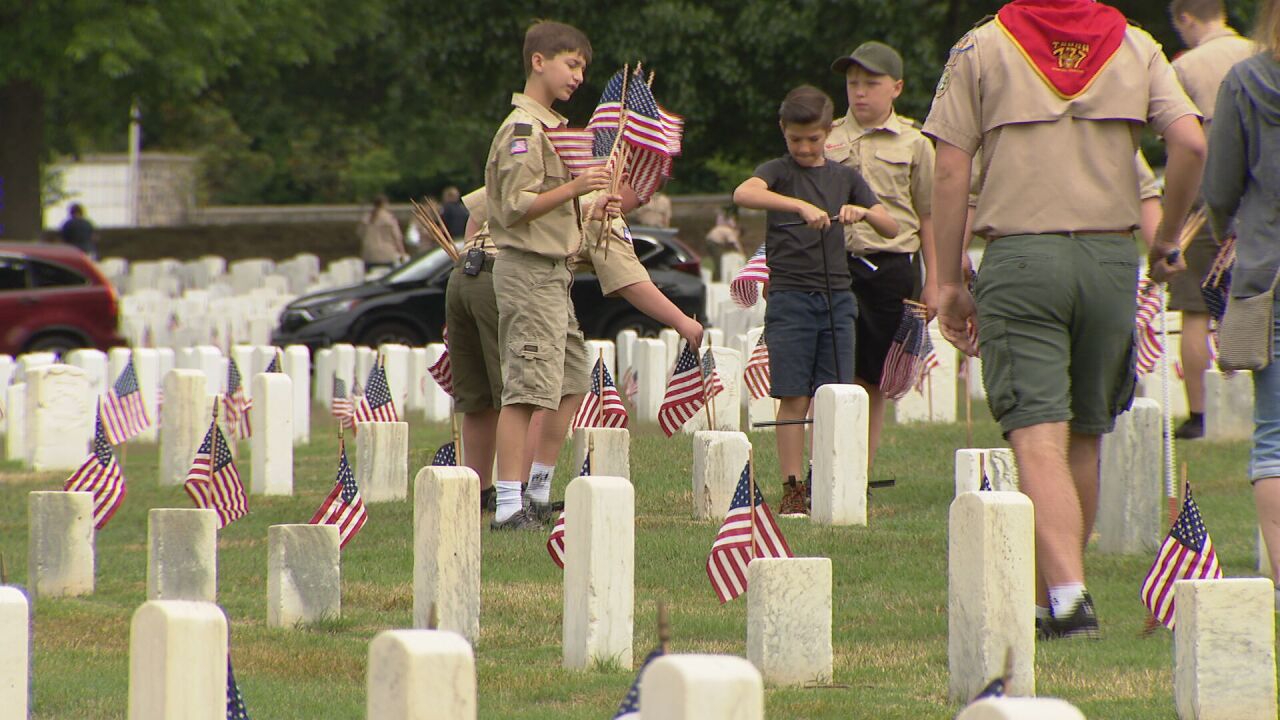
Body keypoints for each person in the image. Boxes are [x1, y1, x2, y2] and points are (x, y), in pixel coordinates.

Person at [924, 0, 1205, 639]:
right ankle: (1055, 599)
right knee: (1084, 430)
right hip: (1110, 257)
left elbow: (948, 167)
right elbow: (1190, 140)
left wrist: (945, 279)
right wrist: (1167, 241)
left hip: (1023, 255)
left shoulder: (982, 46)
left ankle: (1072, 599)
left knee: (1035, 434)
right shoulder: (1137, 44)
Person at [485, 21, 702, 530]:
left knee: (569, 381)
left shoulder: (552, 130)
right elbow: (517, 208)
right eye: (570, 63)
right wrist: (580, 182)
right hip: (527, 271)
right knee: (525, 389)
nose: (579, 75)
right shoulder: (523, 131)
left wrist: (593, 199)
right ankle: (510, 505)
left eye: (583, 66)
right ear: (538, 62)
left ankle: (537, 490)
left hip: (554, 274)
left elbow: (556, 209)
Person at [452, 187, 704, 520]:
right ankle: (522, 497)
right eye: (640, 196)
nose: (639, 204)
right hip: (520, 280)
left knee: (481, 398)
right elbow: (630, 280)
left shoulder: (554, 174)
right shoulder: (602, 205)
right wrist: (681, 321)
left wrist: (473, 259)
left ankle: (480, 495)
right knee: (538, 390)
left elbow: (478, 211)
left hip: (463, 276)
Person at [733, 85, 897, 516]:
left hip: (837, 298)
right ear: (783, 134)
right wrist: (799, 207)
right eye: (795, 139)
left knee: (835, 392)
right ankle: (792, 486)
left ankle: (831, 477)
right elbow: (744, 193)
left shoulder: (845, 177)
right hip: (789, 297)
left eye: (814, 139)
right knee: (794, 395)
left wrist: (864, 213)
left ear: (829, 134)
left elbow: (891, 226)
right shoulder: (779, 172)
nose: (805, 148)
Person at [1200, 0, 1280, 606]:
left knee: (1275, 436)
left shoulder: (1247, 81)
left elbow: (1220, 187)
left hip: (1268, 270)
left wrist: (1237, 229)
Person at [827, 41, 937, 472]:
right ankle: (830, 465)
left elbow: (926, 215)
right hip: (836, 264)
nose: (859, 93)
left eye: (871, 84)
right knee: (835, 369)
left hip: (892, 268)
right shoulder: (828, 138)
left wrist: (932, 279)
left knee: (874, 376)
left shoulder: (915, 144)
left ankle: (861, 471)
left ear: (897, 88)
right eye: (853, 83)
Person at [1167, 0, 1259, 439]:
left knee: (1194, 308)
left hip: (1207, 201)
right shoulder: (1260, 52)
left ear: (1185, 17)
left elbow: (1180, 139)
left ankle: (1201, 414)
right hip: (1261, 199)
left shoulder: (1186, 67)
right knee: (1257, 298)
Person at [359, 194, 407, 271]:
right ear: (385, 204)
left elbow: (360, 234)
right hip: (386, 254)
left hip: (369, 254)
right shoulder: (389, 218)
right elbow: (397, 238)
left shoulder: (366, 218)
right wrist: (402, 253)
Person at [703, 207, 743, 280]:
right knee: (720, 262)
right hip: (713, 243)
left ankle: (716, 277)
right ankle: (717, 278)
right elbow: (735, 244)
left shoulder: (723, 228)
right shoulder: (729, 231)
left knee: (718, 260)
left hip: (710, 241)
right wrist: (741, 253)